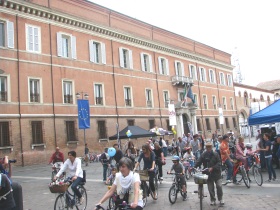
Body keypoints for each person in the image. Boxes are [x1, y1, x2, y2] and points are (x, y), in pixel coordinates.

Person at [195, 141, 224, 206]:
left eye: (209, 147)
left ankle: (220, 199)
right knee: (210, 188)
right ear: (206, 147)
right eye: (207, 147)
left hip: (216, 173)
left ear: (211, 147)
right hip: (208, 174)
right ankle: (213, 199)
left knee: (219, 186)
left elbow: (219, 163)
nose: (208, 148)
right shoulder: (204, 154)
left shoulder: (215, 154)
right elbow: (199, 161)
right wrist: (194, 166)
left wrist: (213, 168)